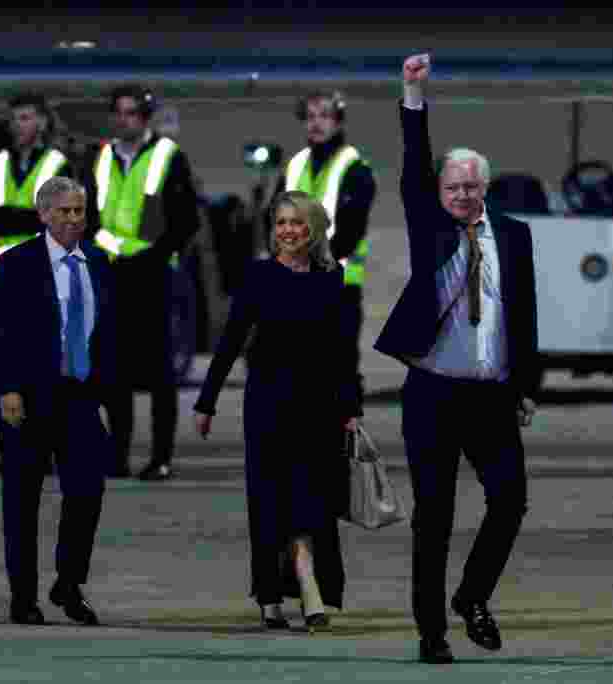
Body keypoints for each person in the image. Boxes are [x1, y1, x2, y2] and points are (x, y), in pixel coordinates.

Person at [373, 54, 542, 665]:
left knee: (511, 501)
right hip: (434, 393)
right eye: (453, 187)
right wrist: (413, 94)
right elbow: (416, 161)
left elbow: (524, 316)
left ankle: (471, 597)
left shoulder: (516, 236)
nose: (463, 195)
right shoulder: (430, 224)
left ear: (485, 188)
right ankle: (431, 635)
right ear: (439, 193)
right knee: (434, 518)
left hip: (493, 394)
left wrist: (527, 385)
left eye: (472, 186)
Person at [193, 190, 362, 633]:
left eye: (297, 223)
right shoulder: (259, 276)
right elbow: (230, 340)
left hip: (318, 408)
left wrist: (350, 407)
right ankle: (275, 595)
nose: (288, 231)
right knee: (270, 504)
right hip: (269, 404)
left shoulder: (332, 279)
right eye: (281, 222)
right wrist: (206, 401)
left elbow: (341, 352)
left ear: (313, 230)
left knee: (310, 502)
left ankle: (304, 583)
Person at [0, 176, 117, 626]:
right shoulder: (16, 264)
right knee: (22, 503)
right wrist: (8, 389)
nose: (75, 220)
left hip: (77, 398)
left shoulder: (97, 262)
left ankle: (68, 583)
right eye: (65, 211)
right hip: (26, 399)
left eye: (81, 211)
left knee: (87, 492)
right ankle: (23, 596)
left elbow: (104, 333)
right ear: (44, 214)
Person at [84, 84, 202, 481]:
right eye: (119, 112)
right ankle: (115, 455)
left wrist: (153, 256)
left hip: (152, 276)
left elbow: (186, 220)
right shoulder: (100, 158)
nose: (124, 120)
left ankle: (161, 457)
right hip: (111, 273)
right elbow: (86, 215)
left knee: (159, 373)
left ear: (145, 117)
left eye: (132, 113)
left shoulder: (168, 157)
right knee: (111, 372)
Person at [0, 93, 71, 475]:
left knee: (42, 368)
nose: (21, 125)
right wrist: (17, 218)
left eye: (28, 117)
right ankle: (9, 448)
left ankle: (44, 449)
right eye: (16, 118)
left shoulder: (56, 164)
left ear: (43, 123)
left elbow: (55, 218)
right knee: (2, 367)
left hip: (40, 276)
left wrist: (11, 218)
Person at [279, 90, 377, 403]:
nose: (316, 123)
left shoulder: (354, 168)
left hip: (338, 285)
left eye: (324, 116)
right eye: (309, 116)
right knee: (297, 374)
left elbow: (351, 230)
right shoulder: (295, 166)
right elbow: (273, 221)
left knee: (340, 371)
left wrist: (313, 264)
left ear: (338, 121)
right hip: (295, 283)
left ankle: (346, 447)